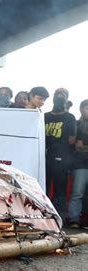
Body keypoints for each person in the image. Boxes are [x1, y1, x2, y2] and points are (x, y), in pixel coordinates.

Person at [45, 88, 77, 221]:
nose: (59, 97)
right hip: (43, 157)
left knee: (59, 191)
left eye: (62, 95)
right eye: (57, 94)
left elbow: (71, 140)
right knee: (42, 188)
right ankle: (42, 216)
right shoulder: (44, 116)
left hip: (61, 158)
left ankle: (57, 219)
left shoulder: (69, 117)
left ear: (66, 99)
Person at [68, 100, 88, 228]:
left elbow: (80, 144)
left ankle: (85, 220)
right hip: (79, 163)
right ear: (81, 109)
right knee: (77, 192)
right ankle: (74, 219)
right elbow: (73, 143)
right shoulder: (75, 123)